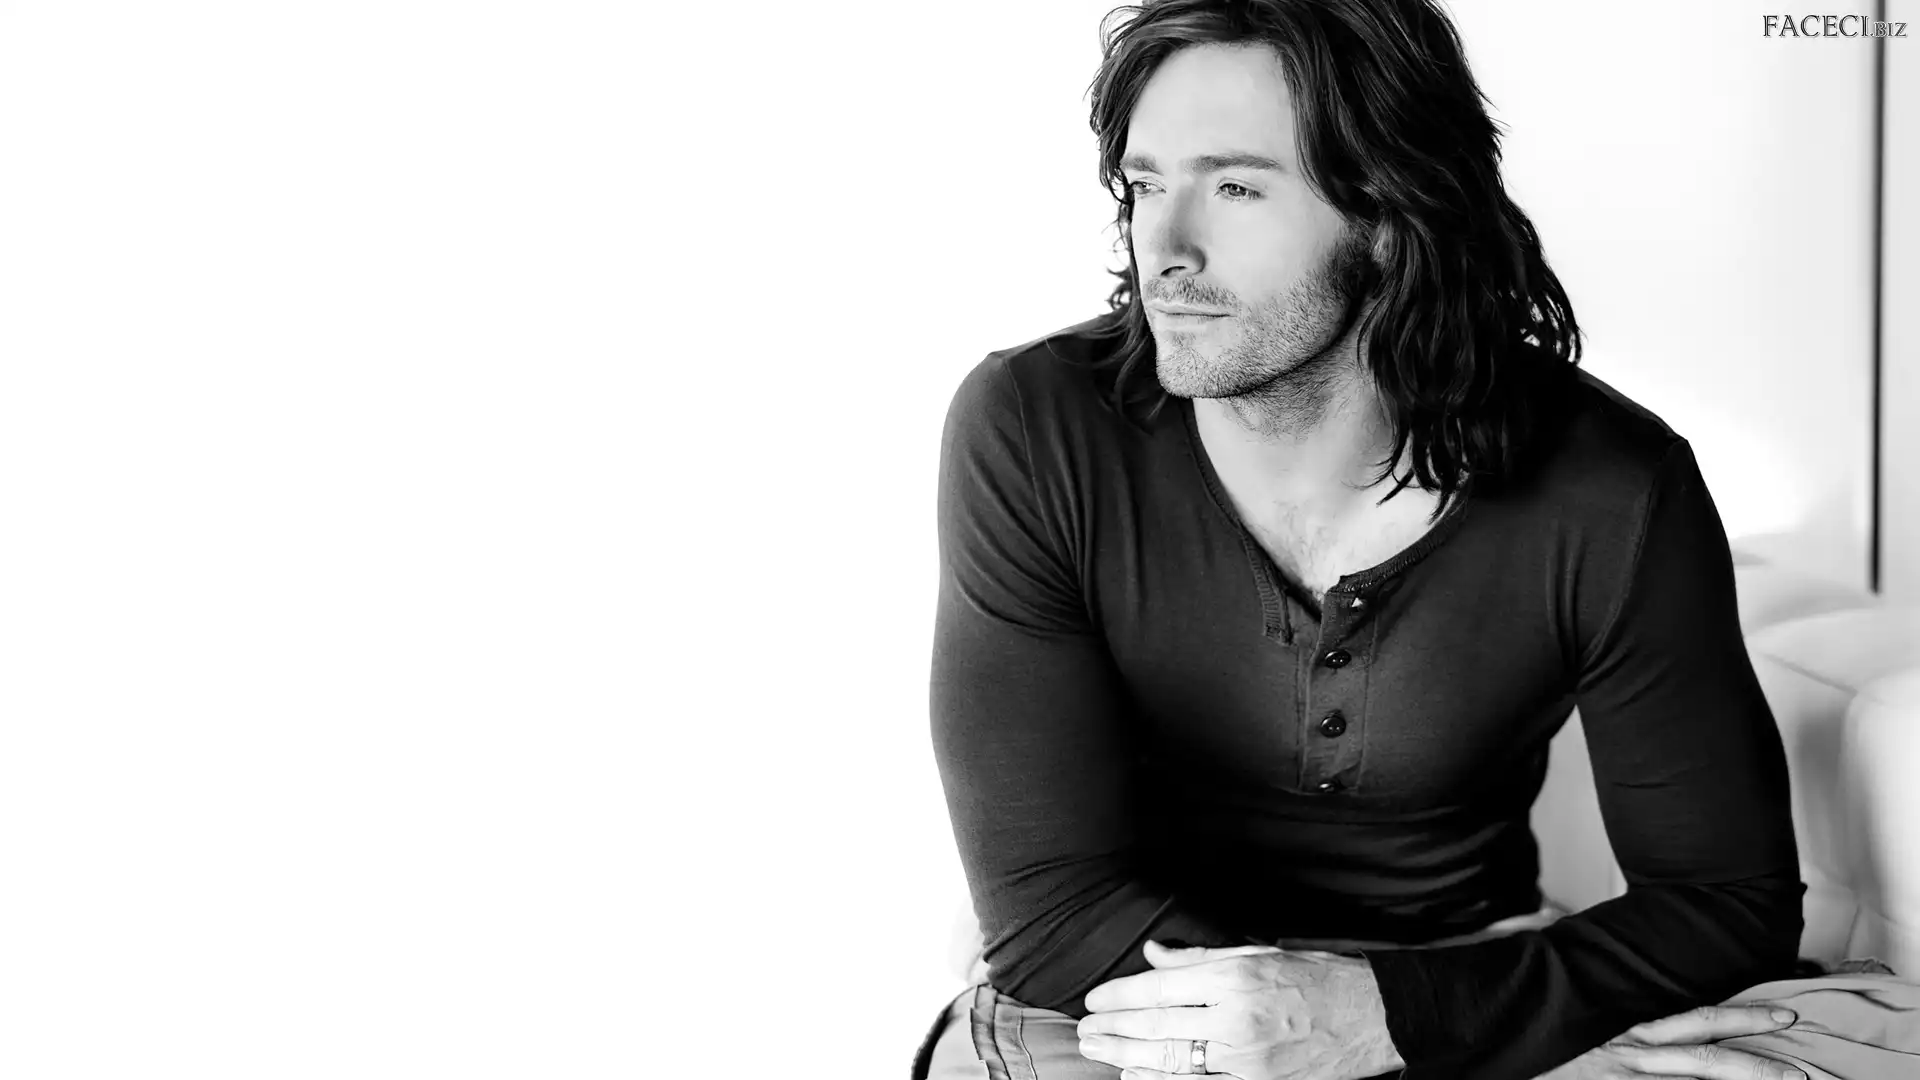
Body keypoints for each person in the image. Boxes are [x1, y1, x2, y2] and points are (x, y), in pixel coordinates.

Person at [916, 2, 1920, 1079]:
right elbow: (1049, 905)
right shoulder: (1036, 426)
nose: (1163, 247)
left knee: (1861, 1038)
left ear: (1391, 213)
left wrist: (1381, 1019)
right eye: (1145, 185)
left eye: (1236, 187)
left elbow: (1723, 903)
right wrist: (1278, 1028)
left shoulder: (1610, 488)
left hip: (1459, 989)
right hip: (1122, 1000)